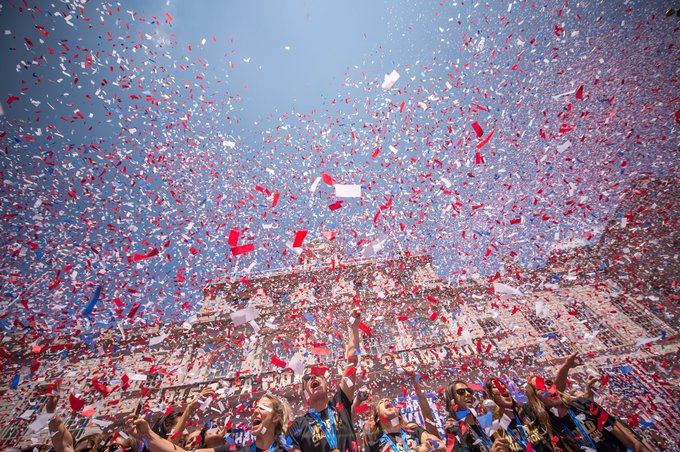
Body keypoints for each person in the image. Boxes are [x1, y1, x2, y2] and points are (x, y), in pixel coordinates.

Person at [287, 308, 363, 452]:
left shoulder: (340, 403)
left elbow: (352, 359)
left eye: (318, 375)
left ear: (326, 385)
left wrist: (354, 326)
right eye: (307, 378)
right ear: (305, 396)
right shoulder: (297, 426)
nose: (313, 376)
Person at [126, 393, 291, 452]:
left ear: (276, 417)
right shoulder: (236, 450)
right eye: (255, 407)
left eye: (262, 407)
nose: (254, 410)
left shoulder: (292, 448)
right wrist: (148, 435)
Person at [525, 376, 651, 452]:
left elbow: (631, 441)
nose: (547, 388)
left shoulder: (583, 405)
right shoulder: (549, 427)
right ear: (535, 398)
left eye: (548, 383)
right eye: (540, 388)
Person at [483, 377, 555, 452]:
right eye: (496, 386)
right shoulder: (493, 429)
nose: (503, 388)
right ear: (490, 396)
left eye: (503, 385)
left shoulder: (527, 410)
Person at [442, 381, 510, 452]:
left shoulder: (482, 425)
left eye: (469, 391)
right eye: (461, 391)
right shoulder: (454, 430)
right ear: (452, 399)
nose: (468, 394)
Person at [367, 397, 444, 452]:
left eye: (390, 401)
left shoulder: (415, 431)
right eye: (382, 402)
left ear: (399, 415)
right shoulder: (374, 445)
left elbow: (440, 445)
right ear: (377, 418)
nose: (387, 400)